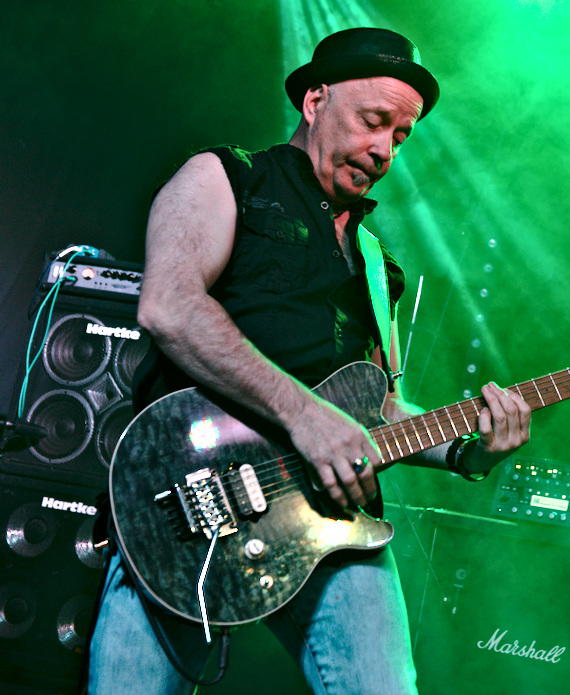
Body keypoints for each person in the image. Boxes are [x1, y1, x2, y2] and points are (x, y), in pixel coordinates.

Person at [87, 27, 531, 695]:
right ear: (316, 100)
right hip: (185, 496)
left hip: (332, 522)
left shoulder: (378, 266)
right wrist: (305, 415)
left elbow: (379, 408)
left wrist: (471, 450)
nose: (385, 150)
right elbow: (169, 307)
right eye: (374, 122)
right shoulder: (223, 176)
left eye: (401, 137)